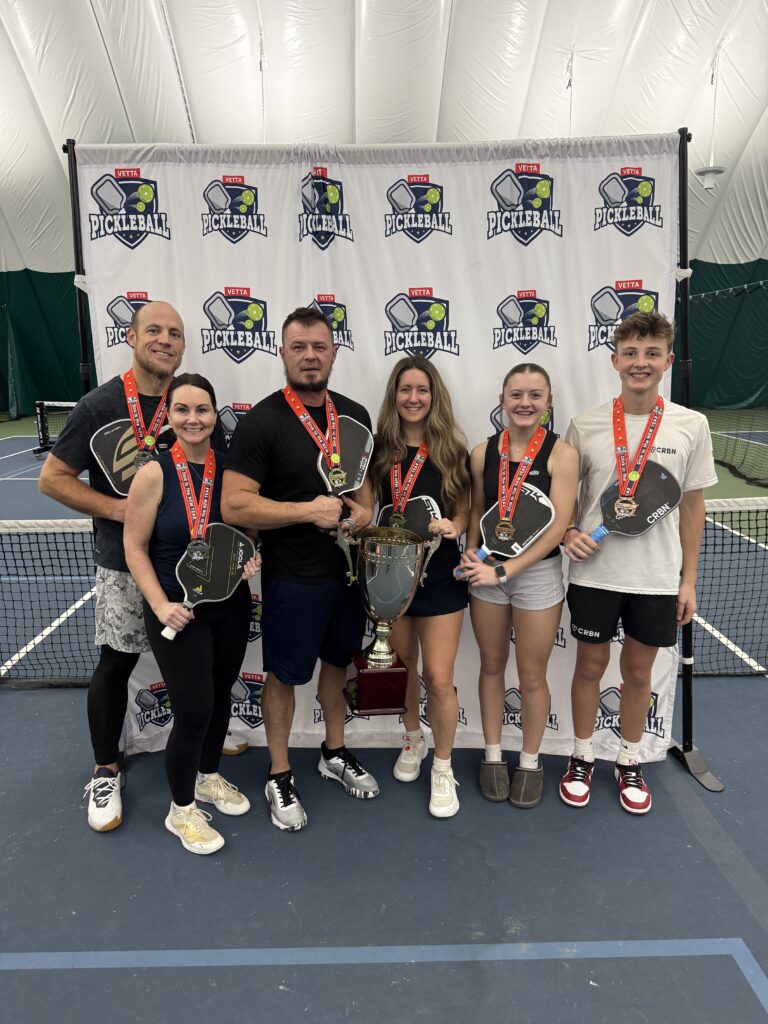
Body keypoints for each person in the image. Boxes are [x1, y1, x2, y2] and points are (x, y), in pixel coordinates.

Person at [221, 306, 377, 832]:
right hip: (293, 578)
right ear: (282, 352)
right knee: (284, 676)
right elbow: (235, 505)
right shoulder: (262, 421)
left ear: (333, 352)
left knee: (338, 666)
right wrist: (306, 511)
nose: (310, 355)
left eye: (319, 346)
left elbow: (365, 489)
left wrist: (363, 511)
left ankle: (334, 752)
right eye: (298, 347)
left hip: (350, 575)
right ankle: (280, 771)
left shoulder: (354, 414)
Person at [39, 301, 187, 832]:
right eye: (154, 331)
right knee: (116, 664)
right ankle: (106, 769)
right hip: (123, 563)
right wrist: (120, 509)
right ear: (130, 337)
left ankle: (207, 745)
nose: (164, 340)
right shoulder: (100, 404)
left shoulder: (190, 401)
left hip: (188, 566)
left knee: (198, 658)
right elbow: (52, 478)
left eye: (174, 333)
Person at [561, 311, 717, 814]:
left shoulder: (692, 425)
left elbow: (692, 505)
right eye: (631, 353)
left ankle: (629, 760)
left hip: (655, 579)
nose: (640, 363)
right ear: (614, 360)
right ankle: (582, 756)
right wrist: (567, 533)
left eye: (652, 354)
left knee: (638, 674)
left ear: (667, 361)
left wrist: (687, 580)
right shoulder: (584, 426)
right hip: (594, 574)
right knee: (589, 667)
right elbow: (567, 500)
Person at [123, 374, 259, 854]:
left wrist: (250, 556)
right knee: (194, 708)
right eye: (182, 410)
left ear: (214, 414)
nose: (193, 419)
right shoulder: (153, 473)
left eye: (202, 410)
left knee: (220, 696)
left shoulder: (231, 470)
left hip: (230, 605)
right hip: (177, 611)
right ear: (170, 416)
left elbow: (244, 531)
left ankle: (207, 777)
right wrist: (160, 603)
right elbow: (134, 547)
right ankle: (180, 811)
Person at [458, 364, 578, 808]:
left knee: (531, 675)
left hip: (537, 576)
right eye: (516, 394)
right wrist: (472, 555)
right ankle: (492, 754)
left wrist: (506, 572)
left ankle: (529, 760)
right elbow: (477, 511)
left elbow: (557, 525)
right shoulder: (480, 452)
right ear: (502, 399)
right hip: (486, 573)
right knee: (491, 665)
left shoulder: (561, 454)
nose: (525, 403)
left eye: (535, 395)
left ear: (548, 401)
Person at [370, 356, 470, 818]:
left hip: (441, 576)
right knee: (404, 669)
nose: (414, 398)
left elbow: (466, 509)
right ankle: (412, 740)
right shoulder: (380, 450)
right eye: (406, 389)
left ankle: (444, 766)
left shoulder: (450, 448)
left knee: (441, 678)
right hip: (391, 577)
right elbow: (366, 505)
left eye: (422, 390)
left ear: (434, 397)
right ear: (395, 395)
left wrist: (455, 524)